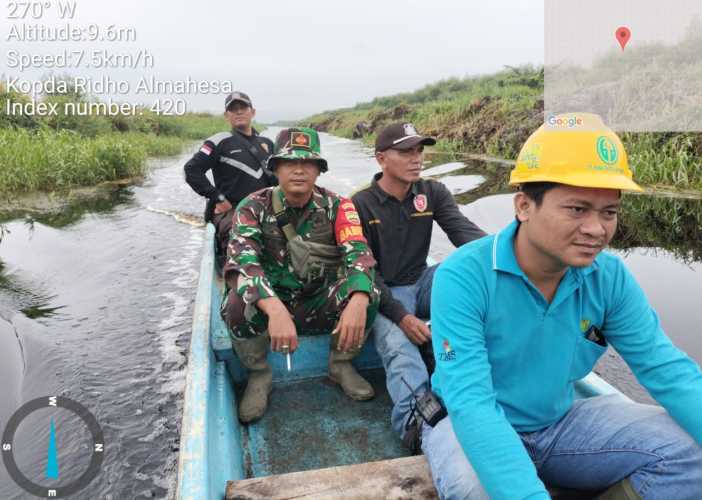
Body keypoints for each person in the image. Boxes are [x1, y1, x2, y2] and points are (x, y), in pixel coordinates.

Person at [425, 113, 702, 500]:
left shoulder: (608, 277)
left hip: (558, 421)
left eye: (610, 212)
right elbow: (472, 403)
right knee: (477, 488)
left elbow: (667, 370)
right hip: (468, 421)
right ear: (524, 205)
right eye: (577, 209)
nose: (597, 229)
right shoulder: (464, 276)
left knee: (692, 455)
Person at [221, 127, 380, 423]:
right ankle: (259, 375)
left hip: (318, 299)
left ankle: (341, 364)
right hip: (273, 304)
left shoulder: (339, 206)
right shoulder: (252, 207)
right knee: (236, 305)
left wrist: (358, 300)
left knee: (367, 291)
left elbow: (358, 253)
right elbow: (242, 263)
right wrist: (274, 308)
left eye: (307, 163)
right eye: (289, 162)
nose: (298, 170)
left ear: (319, 170)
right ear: (276, 168)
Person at [352, 122, 485, 449]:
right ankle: (416, 422)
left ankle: (478, 377)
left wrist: (510, 257)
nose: (416, 159)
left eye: (419, 151)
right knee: (399, 345)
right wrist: (401, 316)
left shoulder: (432, 192)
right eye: (405, 152)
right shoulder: (359, 205)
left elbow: (466, 236)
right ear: (381, 158)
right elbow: (364, 274)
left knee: (472, 272)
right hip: (382, 292)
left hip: (423, 281)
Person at [184, 91, 276, 259]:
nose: (239, 112)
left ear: (252, 112)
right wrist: (217, 198)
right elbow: (191, 170)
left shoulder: (268, 144)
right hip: (233, 210)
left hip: (266, 210)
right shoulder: (219, 141)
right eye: (233, 109)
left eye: (243, 107)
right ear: (227, 115)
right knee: (240, 244)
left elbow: (279, 178)